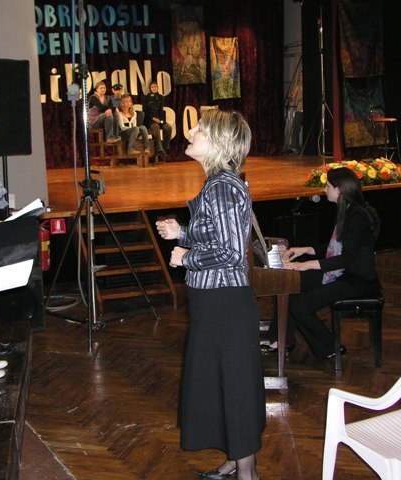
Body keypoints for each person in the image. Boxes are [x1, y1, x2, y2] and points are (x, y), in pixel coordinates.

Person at [156, 110, 265, 480]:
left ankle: (247, 473)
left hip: (224, 305)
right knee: (224, 384)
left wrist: (187, 257)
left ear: (218, 142)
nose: (190, 131)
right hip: (217, 303)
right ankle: (236, 460)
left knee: (234, 387)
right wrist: (183, 232)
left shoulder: (221, 187)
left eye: (199, 129)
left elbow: (231, 253)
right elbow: (217, 234)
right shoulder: (220, 184)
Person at [264, 167, 381, 358]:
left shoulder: (357, 216)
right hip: (342, 273)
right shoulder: (348, 210)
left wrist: (306, 264)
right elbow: (337, 247)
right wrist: (307, 250)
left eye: (328, 186)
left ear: (339, 190)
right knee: (290, 285)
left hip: (356, 281)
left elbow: (346, 258)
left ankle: (330, 348)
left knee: (300, 306)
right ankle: (281, 341)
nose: (324, 190)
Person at [142, 80, 172, 160]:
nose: (154, 88)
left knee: (168, 128)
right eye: (152, 87)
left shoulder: (160, 97)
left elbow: (161, 109)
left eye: (155, 86)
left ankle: (164, 147)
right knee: (156, 127)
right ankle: (160, 149)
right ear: (150, 88)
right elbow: (145, 111)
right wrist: (153, 118)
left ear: (157, 87)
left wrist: (161, 120)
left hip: (159, 118)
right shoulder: (146, 98)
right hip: (150, 119)